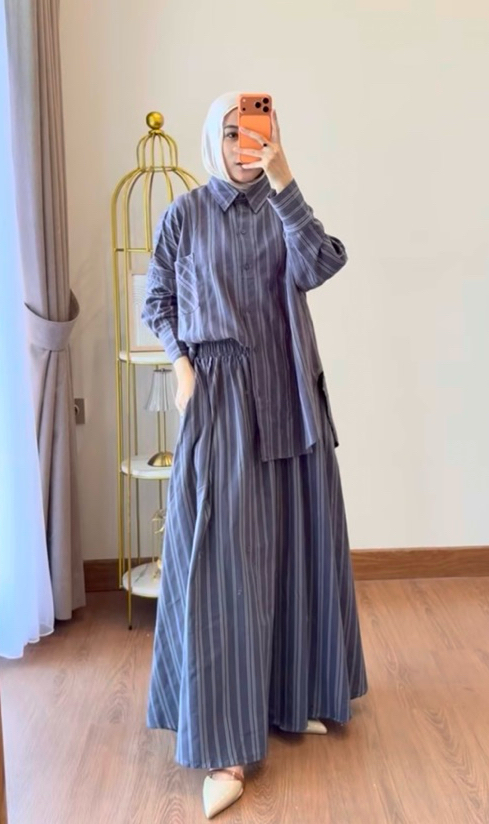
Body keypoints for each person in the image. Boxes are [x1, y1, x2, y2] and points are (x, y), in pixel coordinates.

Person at [142, 92, 368, 819]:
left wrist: (285, 175)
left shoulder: (281, 206)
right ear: (214, 137)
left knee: (294, 548)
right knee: (221, 566)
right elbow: (157, 298)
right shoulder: (184, 215)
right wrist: (182, 367)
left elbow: (322, 263)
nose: (246, 143)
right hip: (220, 399)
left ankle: (289, 697)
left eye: (258, 131)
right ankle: (224, 745)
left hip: (289, 393)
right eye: (234, 132)